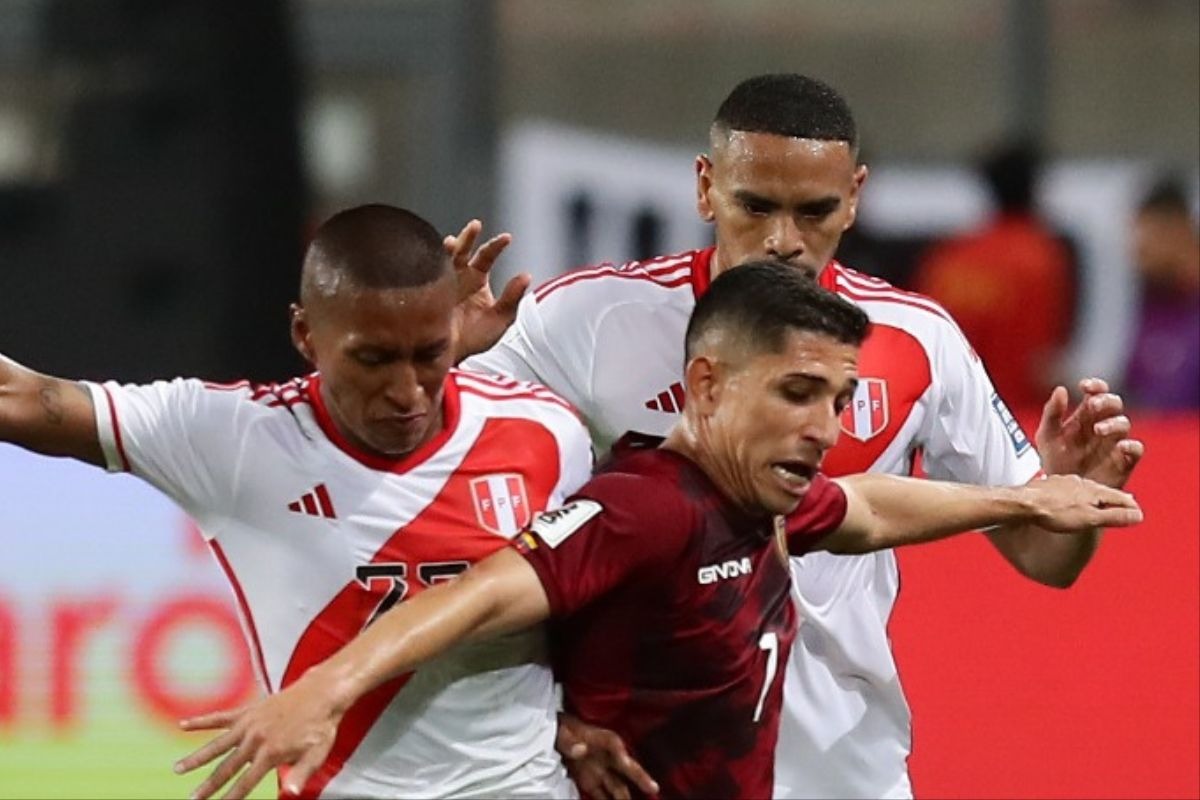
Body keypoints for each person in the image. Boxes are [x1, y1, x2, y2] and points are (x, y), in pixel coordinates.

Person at [172, 262, 1142, 800]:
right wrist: (323, 688)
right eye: (799, 392)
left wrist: (1024, 498)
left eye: (840, 397)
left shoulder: (754, 490)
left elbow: (872, 505)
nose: (826, 426)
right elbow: (474, 595)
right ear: (709, 385)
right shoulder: (641, 505)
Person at [454, 74, 1144, 799]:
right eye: (755, 206)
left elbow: (1046, 558)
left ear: (854, 197)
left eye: (814, 211)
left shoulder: (919, 341)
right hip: (638, 772)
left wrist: (1076, 496)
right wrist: (449, 359)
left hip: (847, 771)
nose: (783, 241)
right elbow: (459, 506)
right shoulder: (586, 321)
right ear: (705, 186)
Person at [0, 204, 597, 799]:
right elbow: (33, 400)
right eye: (374, 359)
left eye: (429, 354)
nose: (406, 391)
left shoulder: (546, 432)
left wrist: (590, 716)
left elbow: (612, 589)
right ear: (306, 335)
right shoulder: (236, 437)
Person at [910, 139, 1076, 411]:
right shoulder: (1042, 257)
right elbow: (1041, 360)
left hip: (951, 415)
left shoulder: (947, 258)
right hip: (1022, 418)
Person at [1122, 176, 1200, 409]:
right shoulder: (1151, 299)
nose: (1135, 256)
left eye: (1146, 247)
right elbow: (1136, 386)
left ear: (1177, 231)